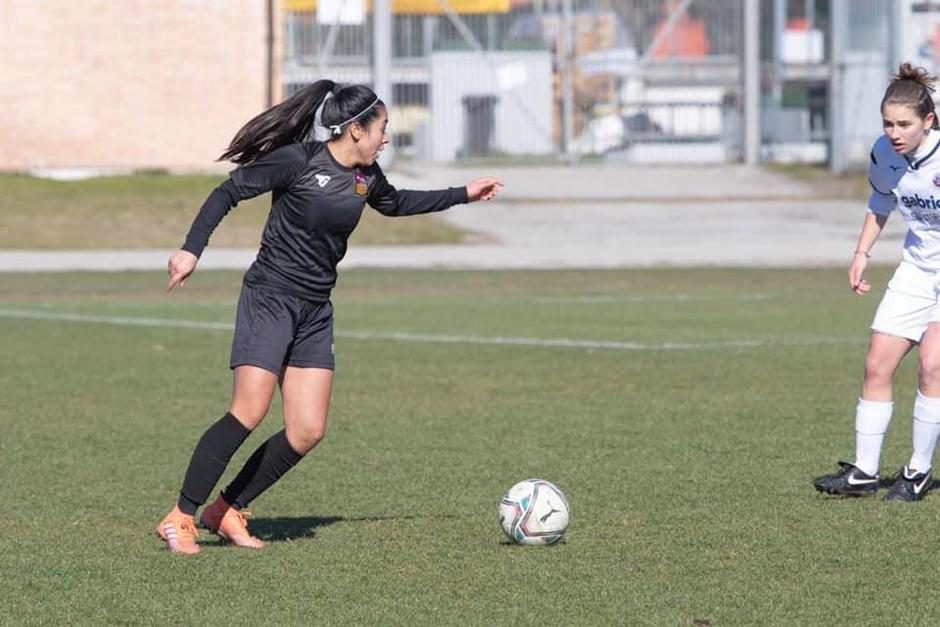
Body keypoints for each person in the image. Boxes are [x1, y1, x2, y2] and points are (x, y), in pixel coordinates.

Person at [156, 81, 503, 554]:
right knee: (249, 411)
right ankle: (180, 515)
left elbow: (397, 203)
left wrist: (463, 193)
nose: (386, 137)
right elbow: (227, 193)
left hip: (316, 309)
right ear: (355, 129)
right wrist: (190, 251)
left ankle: (226, 508)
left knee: (307, 430)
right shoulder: (298, 160)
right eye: (382, 128)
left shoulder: (366, 175)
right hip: (270, 298)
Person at [814, 63, 940, 502]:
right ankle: (865, 472)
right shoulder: (883, 154)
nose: (894, 132)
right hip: (917, 269)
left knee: (932, 365)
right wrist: (861, 254)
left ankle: (918, 471)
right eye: (887, 123)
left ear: (929, 121)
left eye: (903, 124)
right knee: (876, 364)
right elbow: (879, 202)